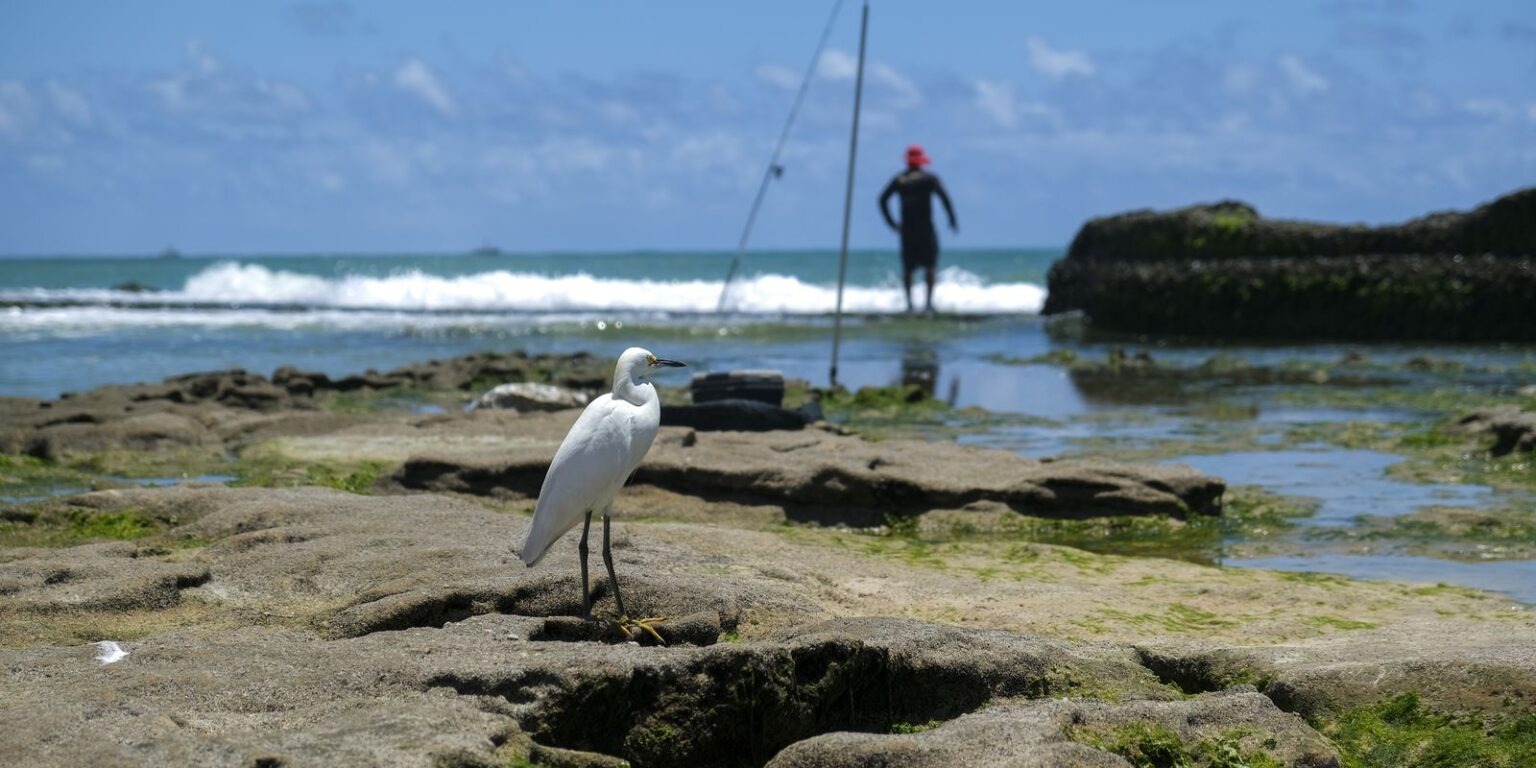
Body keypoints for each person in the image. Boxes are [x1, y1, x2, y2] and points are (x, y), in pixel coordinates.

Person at [879, 144, 958, 313]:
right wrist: (952, 220)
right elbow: (945, 199)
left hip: (907, 231)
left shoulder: (900, 180)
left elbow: (882, 200)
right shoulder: (928, 179)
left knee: (908, 268)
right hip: (925, 230)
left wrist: (892, 223)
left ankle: (910, 305)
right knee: (929, 266)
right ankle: (928, 304)